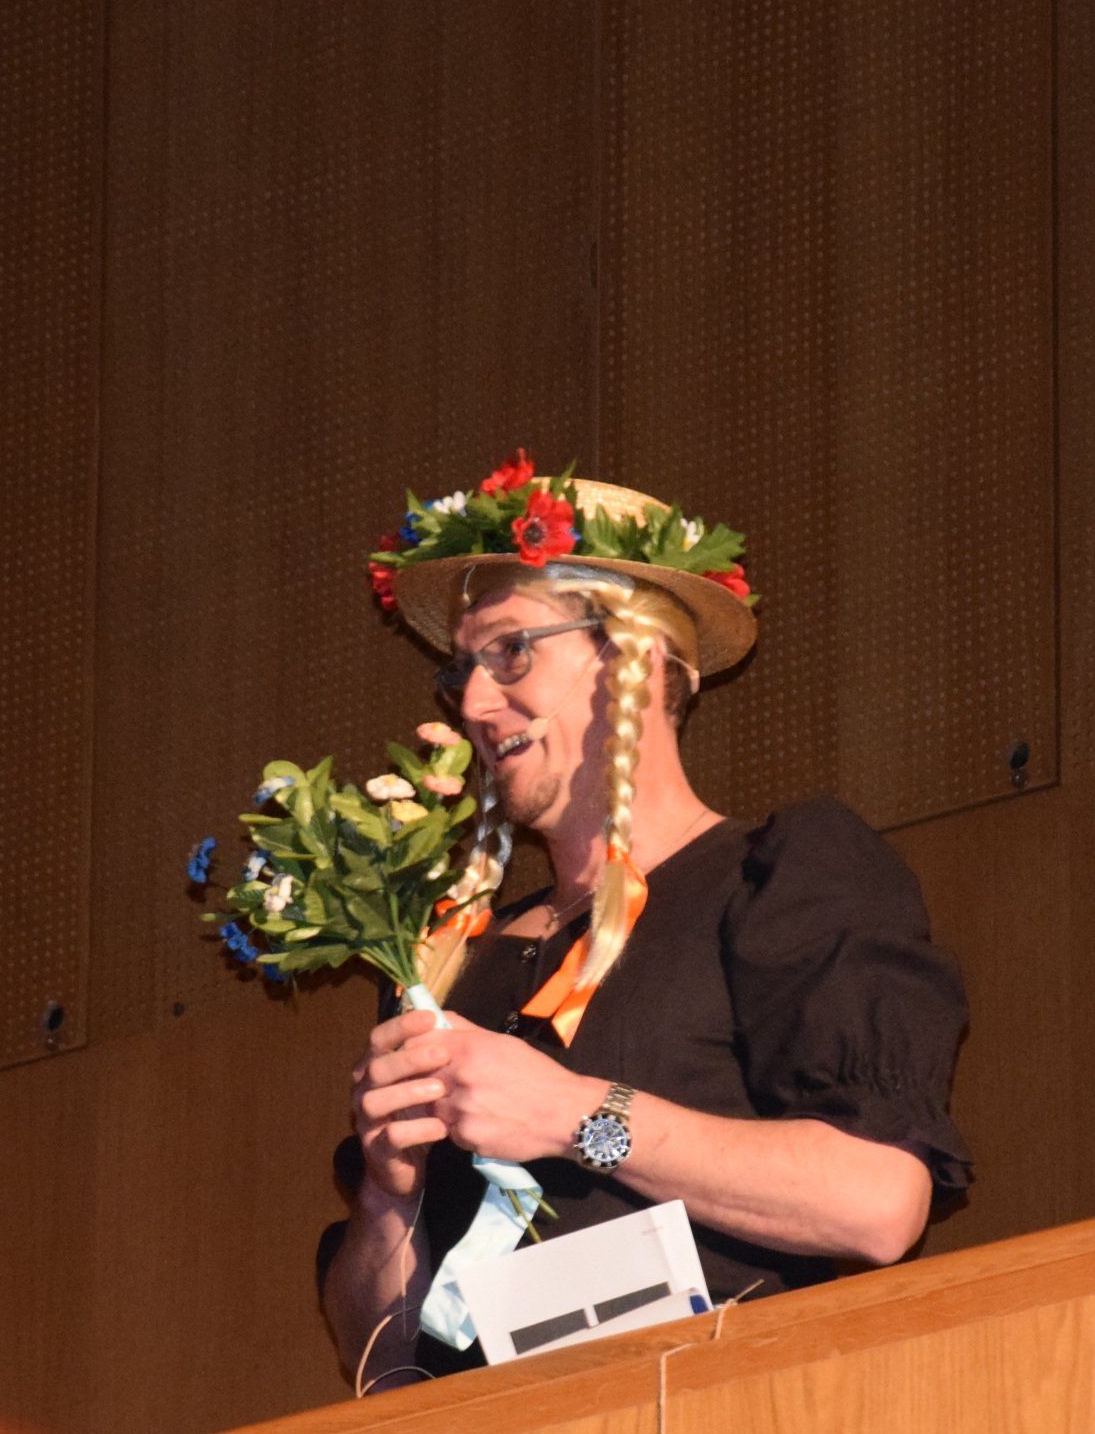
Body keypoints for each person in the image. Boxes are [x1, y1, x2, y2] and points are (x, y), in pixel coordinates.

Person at [318, 464, 972, 1387]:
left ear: (635, 659)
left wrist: (576, 1116)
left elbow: (877, 1203)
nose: (471, 705)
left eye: (512, 653)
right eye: (462, 670)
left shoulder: (778, 878)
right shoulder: (444, 958)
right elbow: (377, 1360)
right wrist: (392, 1196)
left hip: (723, 1427)